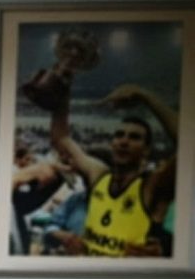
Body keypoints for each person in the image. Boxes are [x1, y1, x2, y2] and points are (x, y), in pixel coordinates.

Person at [47, 82, 178, 257]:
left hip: (129, 274)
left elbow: (189, 142)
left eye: (134, 137)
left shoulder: (151, 186)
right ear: (112, 143)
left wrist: (144, 95)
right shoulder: (99, 175)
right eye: (119, 135)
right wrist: (63, 88)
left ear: (146, 150)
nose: (124, 141)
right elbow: (61, 138)